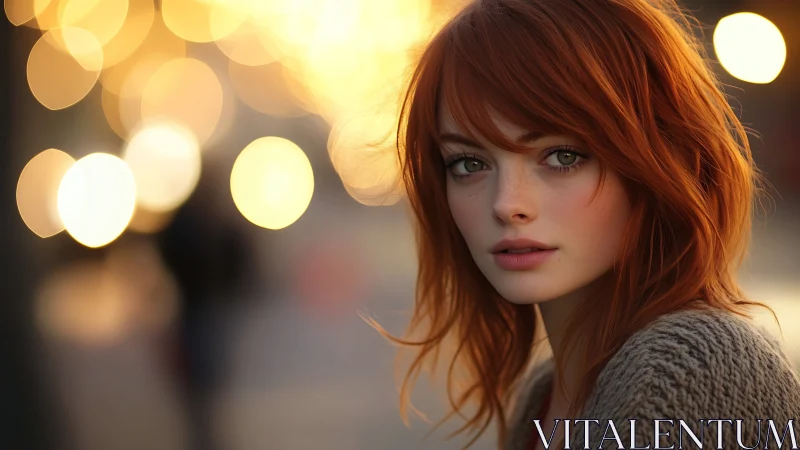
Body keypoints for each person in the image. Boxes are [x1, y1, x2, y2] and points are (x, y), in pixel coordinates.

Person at [367, 0, 800, 449]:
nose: (507, 204)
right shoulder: (544, 397)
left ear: (656, 162)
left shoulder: (697, 369)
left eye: (562, 156)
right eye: (468, 162)